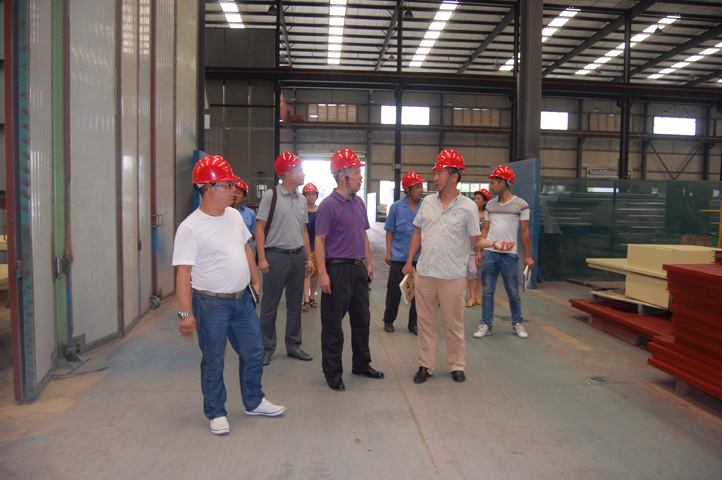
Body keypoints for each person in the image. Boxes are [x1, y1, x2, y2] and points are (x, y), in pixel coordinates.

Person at [172, 155, 285, 436]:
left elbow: (246, 247)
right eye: (228, 184)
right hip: (211, 304)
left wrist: (255, 279)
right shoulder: (190, 227)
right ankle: (216, 411)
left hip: (242, 300)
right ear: (210, 188)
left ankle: (254, 401)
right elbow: (183, 272)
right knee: (213, 359)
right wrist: (185, 313)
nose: (234, 189)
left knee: (254, 351)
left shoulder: (234, 216)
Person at [403, 150, 513, 385]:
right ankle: (425, 365)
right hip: (425, 273)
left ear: (454, 175)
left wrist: (495, 244)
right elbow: (418, 233)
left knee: (454, 325)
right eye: (435, 173)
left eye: (440, 173)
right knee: (425, 324)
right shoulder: (427, 203)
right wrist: (409, 261)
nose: (435, 178)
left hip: (452, 276)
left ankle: (456, 365)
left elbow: (475, 240)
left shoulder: (468, 207)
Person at [315, 149, 385, 391]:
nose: (360, 177)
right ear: (343, 175)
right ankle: (333, 373)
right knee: (333, 325)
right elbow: (320, 240)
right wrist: (322, 273)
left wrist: (368, 263)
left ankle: (361, 364)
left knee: (362, 320)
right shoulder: (328, 205)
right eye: (356, 172)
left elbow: (363, 234)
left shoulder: (359, 203)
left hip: (357, 269)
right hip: (337, 270)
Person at [256, 152, 315, 366]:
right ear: (288, 174)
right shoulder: (271, 196)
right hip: (276, 257)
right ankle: (266, 348)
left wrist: (309, 258)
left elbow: (304, 231)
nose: (303, 174)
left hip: (297, 257)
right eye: (300, 170)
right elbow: (260, 228)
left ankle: (293, 345)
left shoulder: (301, 199)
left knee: (294, 303)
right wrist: (262, 258)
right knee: (269, 305)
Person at [474, 165, 534, 340]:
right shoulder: (490, 205)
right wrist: (480, 251)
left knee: (513, 292)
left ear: (504, 183)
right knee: (487, 291)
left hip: (509, 255)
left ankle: (517, 322)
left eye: (494, 182)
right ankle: (486, 324)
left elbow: (525, 232)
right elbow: (485, 230)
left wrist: (528, 256)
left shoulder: (521, 205)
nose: (491, 186)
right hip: (490, 254)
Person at [382, 171, 425, 335]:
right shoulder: (397, 208)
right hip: (399, 257)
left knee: (418, 293)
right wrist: (388, 252)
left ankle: (413, 323)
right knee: (393, 291)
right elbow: (390, 231)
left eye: (421, 186)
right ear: (408, 190)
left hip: (420, 258)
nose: (420, 190)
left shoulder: (426, 207)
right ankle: (388, 320)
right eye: (417, 187)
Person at [466, 189, 490, 307]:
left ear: (485, 201)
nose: (475, 201)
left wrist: (481, 248)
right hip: (470, 245)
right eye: (475, 198)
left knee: (480, 272)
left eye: (478, 199)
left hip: (482, 246)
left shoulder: (487, 215)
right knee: (471, 271)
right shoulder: (470, 213)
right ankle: (471, 297)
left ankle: (477, 296)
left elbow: (486, 231)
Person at [301, 183, 320, 312]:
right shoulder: (301, 212)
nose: (311, 197)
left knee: (316, 273)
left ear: (317, 196)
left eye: (313, 194)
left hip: (318, 247)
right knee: (307, 273)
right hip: (305, 247)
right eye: (308, 194)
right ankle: (306, 298)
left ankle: (312, 296)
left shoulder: (321, 211)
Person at [231, 179, 256, 247]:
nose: (235, 195)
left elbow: (253, 233)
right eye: (234, 192)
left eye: (238, 193)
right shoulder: (223, 211)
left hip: (246, 249)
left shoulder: (251, 213)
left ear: (244, 197)